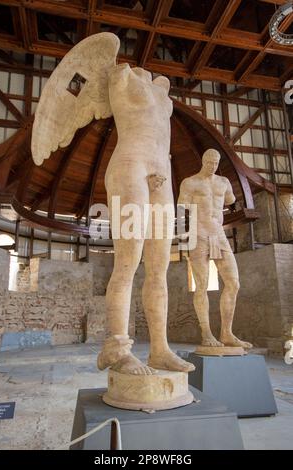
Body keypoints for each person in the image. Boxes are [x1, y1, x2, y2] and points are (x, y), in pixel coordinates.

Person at [97, 64, 195, 375]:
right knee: (127, 261)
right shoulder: (123, 74)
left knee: (159, 267)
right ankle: (116, 348)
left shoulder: (162, 91)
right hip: (130, 164)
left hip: (161, 172)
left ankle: (160, 349)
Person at [178, 148, 252, 349]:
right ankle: (207, 334)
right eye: (209, 162)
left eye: (215, 163)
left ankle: (226, 333)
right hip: (198, 234)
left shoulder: (224, 183)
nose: (212, 166)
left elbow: (230, 200)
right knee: (201, 285)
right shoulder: (190, 182)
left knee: (234, 282)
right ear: (203, 161)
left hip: (218, 234)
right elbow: (181, 208)